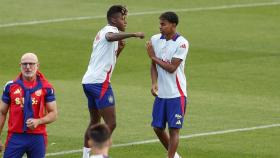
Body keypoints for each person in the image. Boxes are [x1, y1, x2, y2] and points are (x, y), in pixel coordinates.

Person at [81, 5, 144, 158]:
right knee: (111, 122)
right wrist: (132, 34)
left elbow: (110, 59)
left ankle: (86, 155)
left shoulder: (102, 31)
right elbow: (110, 37)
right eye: (123, 19)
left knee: (95, 122)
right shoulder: (111, 32)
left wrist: (120, 48)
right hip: (99, 83)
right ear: (113, 20)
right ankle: (98, 154)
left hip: (88, 81)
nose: (125, 22)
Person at [145, 11, 189, 158]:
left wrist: (153, 56)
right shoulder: (155, 39)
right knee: (157, 127)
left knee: (174, 129)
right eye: (160, 24)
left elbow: (171, 68)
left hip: (176, 94)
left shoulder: (182, 43)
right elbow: (153, 65)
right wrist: (154, 83)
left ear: (173, 25)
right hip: (161, 94)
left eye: (163, 24)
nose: (160, 27)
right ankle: (175, 156)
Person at [0, 52, 58, 158]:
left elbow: (54, 113)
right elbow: (2, 112)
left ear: (37, 65)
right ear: (20, 66)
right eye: (24, 64)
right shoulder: (10, 86)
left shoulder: (46, 87)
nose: (28, 67)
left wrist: (38, 121)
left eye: (31, 64)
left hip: (38, 137)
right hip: (15, 136)